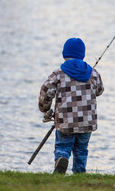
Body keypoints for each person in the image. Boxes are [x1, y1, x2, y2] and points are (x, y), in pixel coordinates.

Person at [38, 38, 104, 174]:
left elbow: (45, 91)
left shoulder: (58, 74)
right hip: (86, 121)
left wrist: (45, 109)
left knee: (63, 145)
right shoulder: (93, 73)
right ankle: (79, 173)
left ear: (64, 54)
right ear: (83, 54)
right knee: (82, 149)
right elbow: (100, 90)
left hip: (65, 121)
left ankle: (61, 159)